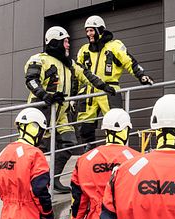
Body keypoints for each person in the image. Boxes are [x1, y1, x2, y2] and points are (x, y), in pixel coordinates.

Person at [24, 26, 116, 193]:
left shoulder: (70, 64)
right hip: (39, 112)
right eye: (65, 41)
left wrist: (104, 86)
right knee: (35, 149)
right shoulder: (39, 59)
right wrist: (45, 95)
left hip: (61, 115)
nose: (68, 45)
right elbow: (31, 80)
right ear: (55, 42)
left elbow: (87, 75)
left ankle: (53, 179)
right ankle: (27, 182)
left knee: (69, 142)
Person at [76, 15, 154, 151]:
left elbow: (129, 61)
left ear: (100, 30)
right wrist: (73, 95)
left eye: (92, 30)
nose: (89, 34)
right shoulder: (84, 50)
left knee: (115, 123)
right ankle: (88, 154)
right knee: (85, 127)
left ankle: (116, 152)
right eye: (87, 31)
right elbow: (77, 72)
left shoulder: (115, 46)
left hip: (110, 90)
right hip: (89, 92)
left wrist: (141, 76)